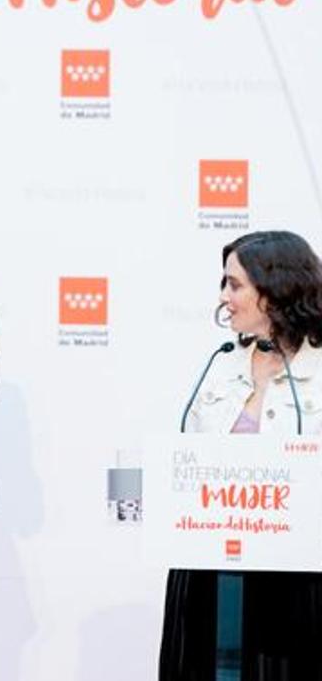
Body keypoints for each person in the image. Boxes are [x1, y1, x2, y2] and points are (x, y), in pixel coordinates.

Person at [161, 231, 322, 680]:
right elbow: (189, 461)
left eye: (234, 285)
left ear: (274, 291)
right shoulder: (221, 362)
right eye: (223, 284)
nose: (223, 297)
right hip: (210, 573)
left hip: (294, 581)